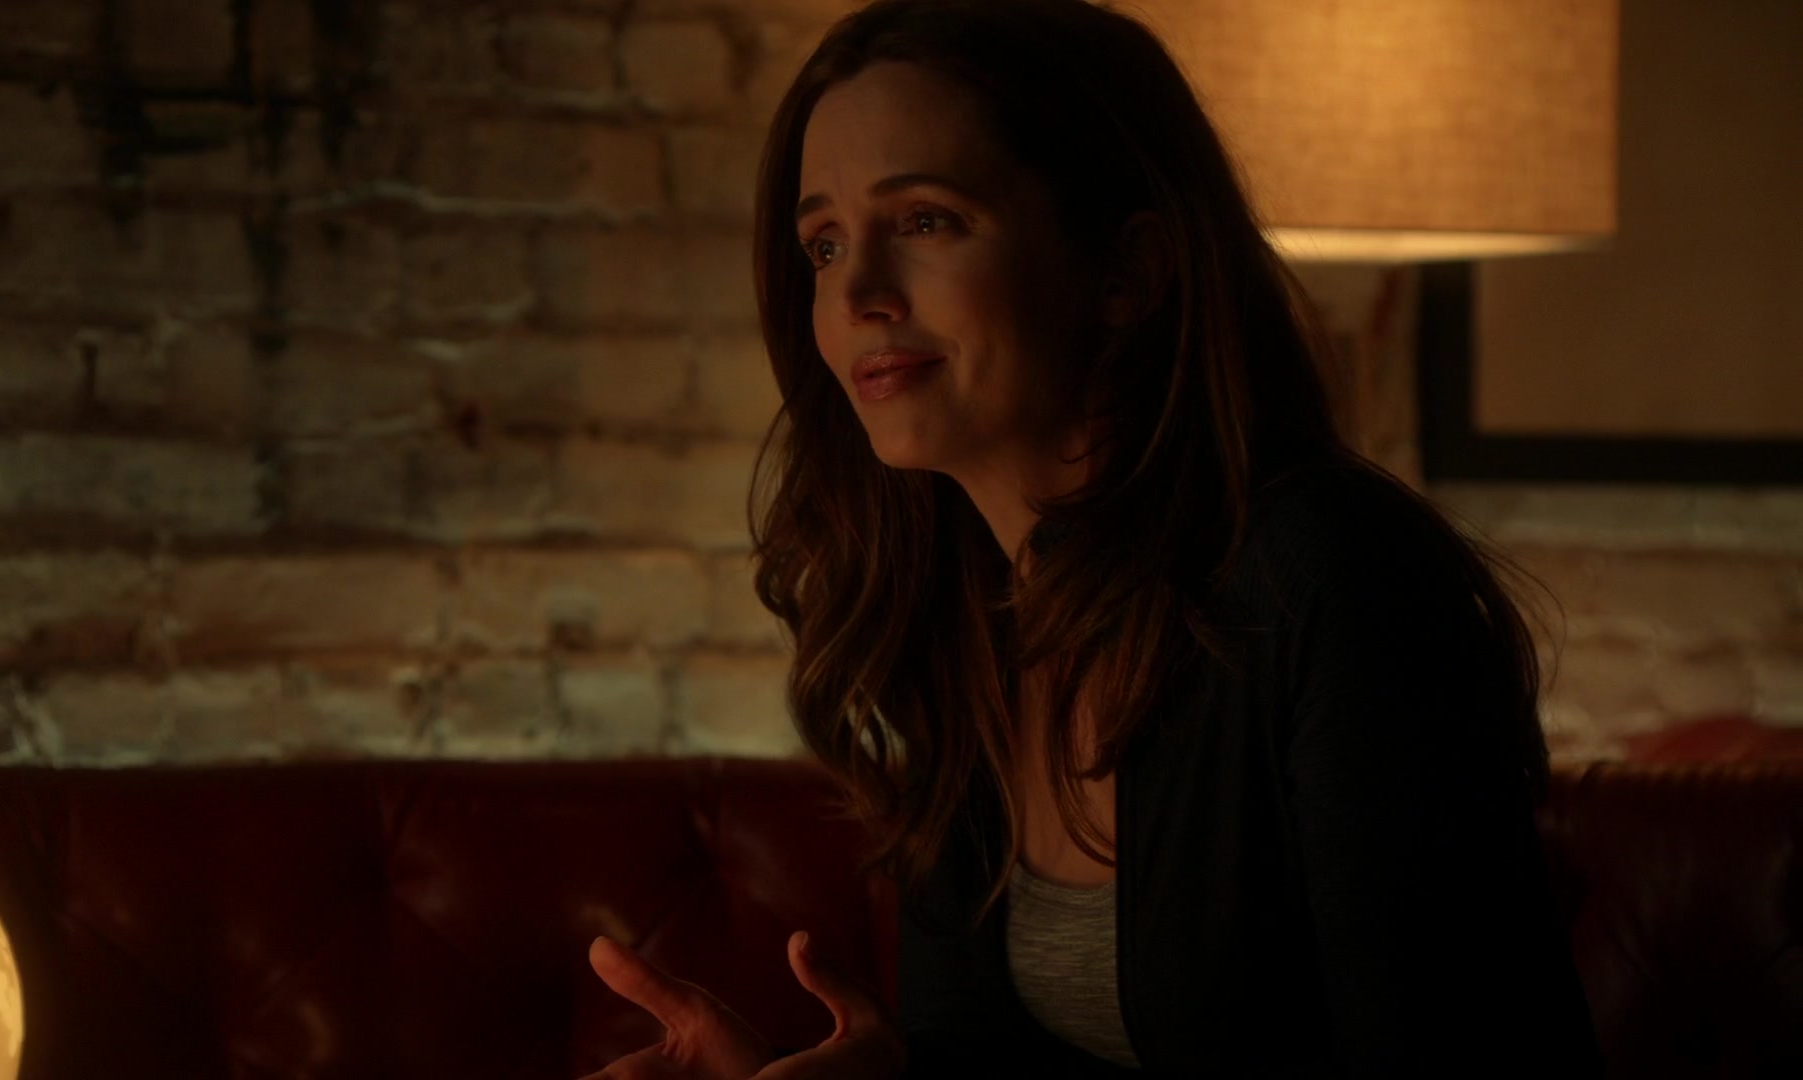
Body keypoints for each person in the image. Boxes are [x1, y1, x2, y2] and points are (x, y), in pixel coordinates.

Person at [581, 0, 1604, 1075]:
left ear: (1127, 272)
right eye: (824, 244)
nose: (857, 293)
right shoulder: (971, 624)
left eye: (925, 221)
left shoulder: (1334, 581)